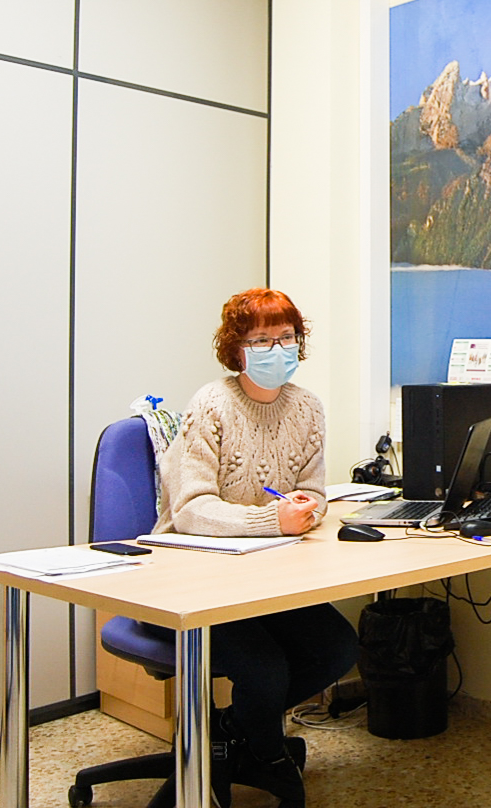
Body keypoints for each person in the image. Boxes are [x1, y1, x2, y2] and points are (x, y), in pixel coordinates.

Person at [153, 288, 359, 808]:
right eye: (261, 339)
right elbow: (191, 510)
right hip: (190, 579)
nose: (277, 348)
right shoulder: (210, 405)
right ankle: (266, 752)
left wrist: (305, 507)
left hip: (262, 576)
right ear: (236, 348)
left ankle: (225, 731)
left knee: (336, 646)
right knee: (266, 669)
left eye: (286, 337)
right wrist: (274, 518)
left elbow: (314, 491)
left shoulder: (307, 408)